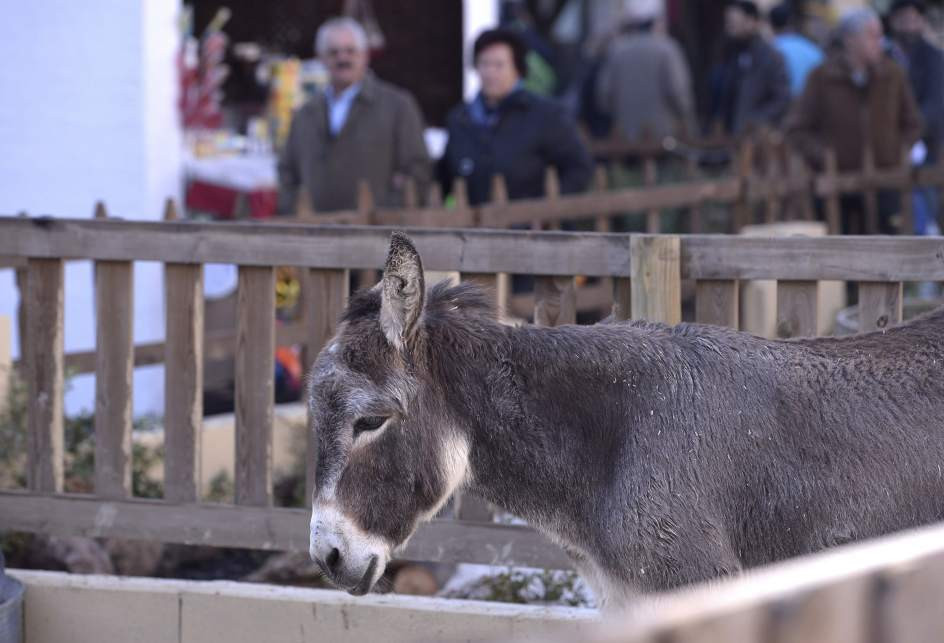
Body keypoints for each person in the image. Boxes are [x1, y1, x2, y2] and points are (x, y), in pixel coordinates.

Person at [787, 9, 923, 233]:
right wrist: (824, 156)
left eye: (880, 35)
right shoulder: (821, 77)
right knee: (840, 254)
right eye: (872, 35)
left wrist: (897, 150)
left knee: (888, 249)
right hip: (838, 187)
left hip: (885, 183)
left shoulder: (893, 75)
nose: (879, 42)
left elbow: (913, 123)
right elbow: (797, 129)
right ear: (850, 39)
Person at [277, 17, 430, 213]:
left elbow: (418, 171)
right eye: (334, 52)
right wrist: (295, 210)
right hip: (314, 235)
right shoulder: (305, 114)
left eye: (350, 51)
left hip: (374, 233)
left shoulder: (397, 106)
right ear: (321, 58)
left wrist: (386, 213)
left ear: (365, 55)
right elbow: (287, 172)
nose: (343, 59)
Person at [439, 28, 592, 206]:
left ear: (518, 69)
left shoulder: (546, 115)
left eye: (498, 65)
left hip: (534, 228)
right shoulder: (460, 119)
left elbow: (579, 169)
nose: (490, 73)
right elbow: (445, 176)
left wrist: (548, 210)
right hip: (474, 229)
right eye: (484, 63)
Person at [594, 0, 694, 142]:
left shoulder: (617, 51)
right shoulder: (667, 49)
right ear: (656, 22)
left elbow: (604, 96)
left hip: (624, 138)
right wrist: (687, 120)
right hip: (664, 136)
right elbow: (679, 93)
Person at [708, 1, 791, 136]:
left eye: (733, 22)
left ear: (751, 21)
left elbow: (781, 99)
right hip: (728, 135)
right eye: (728, 22)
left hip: (755, 137)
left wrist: (755, 120)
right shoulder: (728, 53)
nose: (729, 27)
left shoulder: (770, 57)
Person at [769, 3, 823, 97]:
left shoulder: (770, 51)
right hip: (810, 105)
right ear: (792, 22)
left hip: (782, 108)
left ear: (771, 25)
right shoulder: (812, 49)